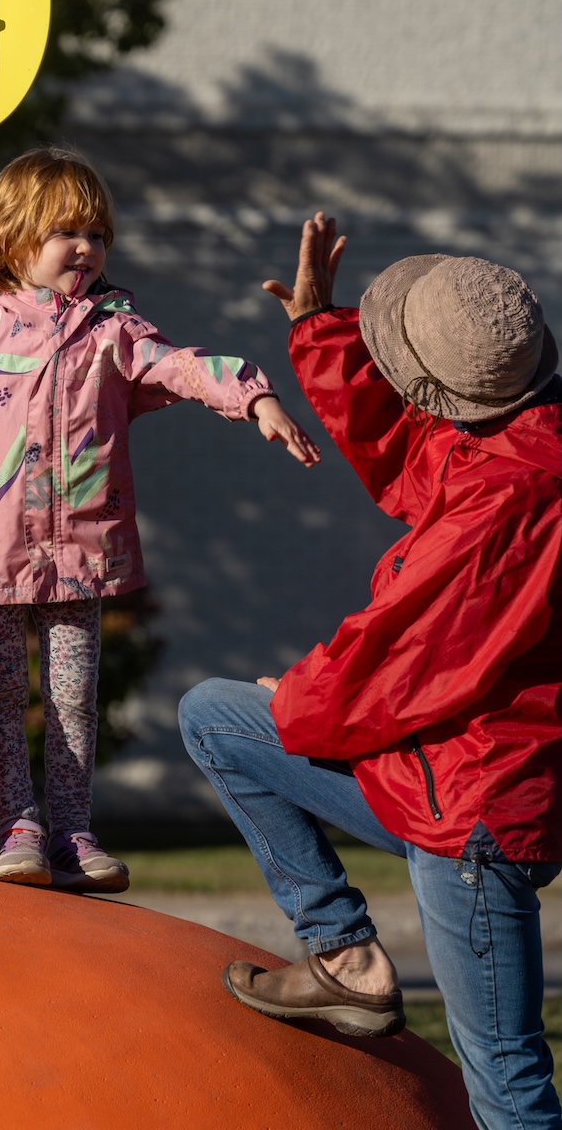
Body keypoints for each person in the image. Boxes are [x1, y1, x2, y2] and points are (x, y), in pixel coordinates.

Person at [179, 212, 561, 1129]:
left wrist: (305, 698)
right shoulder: (519, 438)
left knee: (505, 1083)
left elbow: (403, 655)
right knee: (215, 719)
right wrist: (320, 330)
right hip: (438, 780)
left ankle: (347, 956)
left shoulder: (501, 504)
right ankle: (345, 955)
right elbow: (409, 443)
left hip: (472, 810)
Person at [0, 146, 321, 896]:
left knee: (75, 697)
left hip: (78, 552)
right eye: (65, 233)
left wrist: (254, 397)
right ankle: (19, 824)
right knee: (3, 696)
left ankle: (74, 830)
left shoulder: (113, 329)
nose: (85, 248)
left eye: (97, 234)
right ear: (12, 241)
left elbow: (179, 365)